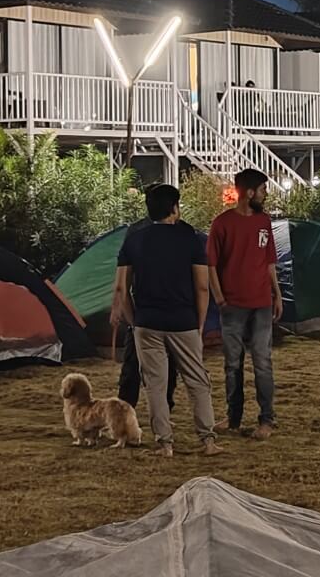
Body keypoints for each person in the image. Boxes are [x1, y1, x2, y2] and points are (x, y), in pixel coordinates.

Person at [115, 184, 220, 457]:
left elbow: (121, 289)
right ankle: (208, 440)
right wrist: (199, 324)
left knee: (155, 385)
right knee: (197, 381)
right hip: (183, 321)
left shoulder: (134, 240)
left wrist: (133, 320)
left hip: (147, 322)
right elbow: (202, 287)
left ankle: (165, 443)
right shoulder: (192, 239)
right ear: (175, 207)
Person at [207, 168, 283, 440]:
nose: (265, 194)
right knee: (233, 364)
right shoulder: (222, 224)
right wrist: (219, 298)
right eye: (263, 189)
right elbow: (211, 264)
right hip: (233, 305)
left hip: (261, 303)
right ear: (249, 192)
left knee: (262, 362)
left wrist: (277, 294)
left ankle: (266, 419)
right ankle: (234, 417)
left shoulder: (264, 222)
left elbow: (269, 261)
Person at [111, 203, 178, 413]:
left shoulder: (178, 231)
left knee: (164, 364)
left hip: (157, 310)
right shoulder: (139, 232)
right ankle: (127, 409)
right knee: (136, 363)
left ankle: (160, 408)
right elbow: (124, 274)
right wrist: (122, 308)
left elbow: (123, 276)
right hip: (151, 310)